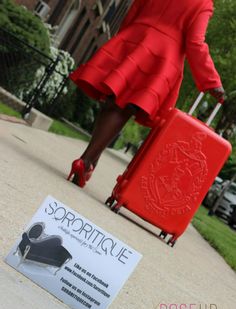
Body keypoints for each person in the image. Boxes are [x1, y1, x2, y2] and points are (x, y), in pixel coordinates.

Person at [67, 0, 225, 188]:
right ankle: (86, 161)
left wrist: (123, 40)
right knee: (124, 108)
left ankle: (88, 161)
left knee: (113, 100)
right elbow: (195, 42)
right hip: (163, 56)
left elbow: (132, 12)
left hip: (134, 37)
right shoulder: (202, 3)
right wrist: (211, 81)